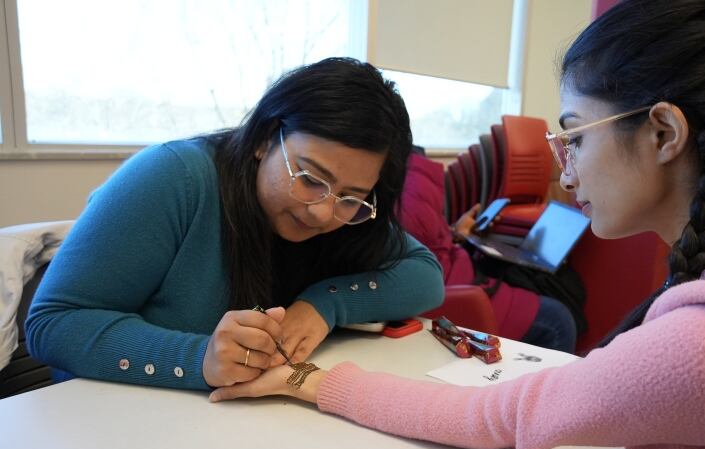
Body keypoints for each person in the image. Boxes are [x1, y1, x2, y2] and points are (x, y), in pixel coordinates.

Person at [208, 1, 705, 449]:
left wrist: (306, 380)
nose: (566, 172)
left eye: (576, 137)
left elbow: (494, 418)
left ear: (663, 132)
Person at [25, 58, 445, 391]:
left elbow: (425, 276)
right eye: (311, 178)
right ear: (265, 139)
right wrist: (198, 357)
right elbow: (54, 324)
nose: (321, 212)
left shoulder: (349, 214)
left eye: (350, 197)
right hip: (119, 431)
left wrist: (325, 303)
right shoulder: (175, 178)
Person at [399, 151, 578, 353]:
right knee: (559, 320)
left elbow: (426, 243)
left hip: (462, 275)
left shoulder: (411, 183)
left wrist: (457, 233)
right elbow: (428, 263)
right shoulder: (414, 187)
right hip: (460, 295)